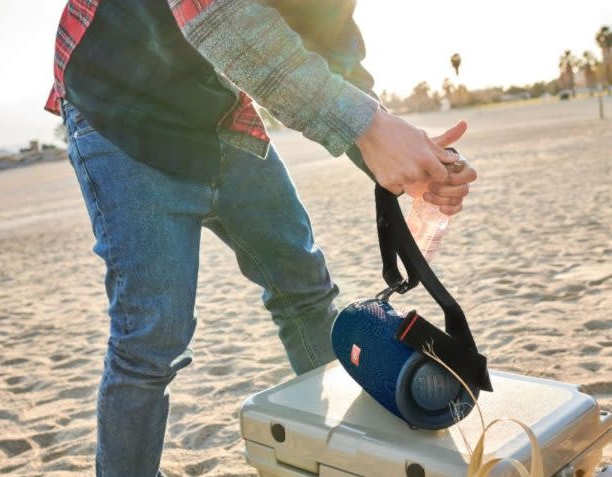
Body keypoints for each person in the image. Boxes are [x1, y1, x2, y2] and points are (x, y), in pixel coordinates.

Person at [46, 1, 477, 475]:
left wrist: (404, 159)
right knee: (151, 339)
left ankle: (335, 452)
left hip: (218, 115)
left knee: (305, 289)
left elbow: (337, 57)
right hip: (117, 113)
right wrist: (370, 128)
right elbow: (222, 20)